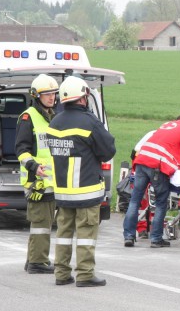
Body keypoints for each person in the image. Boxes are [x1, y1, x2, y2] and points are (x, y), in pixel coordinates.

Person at [47, 76, 116, 287]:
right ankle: (85, 275)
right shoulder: (89, 122)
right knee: (86, 234)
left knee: (63, 234)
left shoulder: (54, 122)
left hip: (62, 192)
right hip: (86, 190)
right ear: (83, 98)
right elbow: (108, 151)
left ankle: (61, 274)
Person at [123, 115, 180, 248]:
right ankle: (156, 239)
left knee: (135, 200)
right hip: (156, 166)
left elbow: (172, 151)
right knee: (161, 202)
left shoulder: (165, 126)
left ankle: (129, 236)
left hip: (141, 161)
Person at [15, 74, 58, 274]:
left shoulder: (52, 116)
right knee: (41, 222)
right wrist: (33, 166)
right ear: (36, 95)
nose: (51, 97)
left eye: (54, 93)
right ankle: (37, 262)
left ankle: (33, 259)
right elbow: (21, 150)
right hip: (36, 180)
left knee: (44, 221)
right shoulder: (28, 117)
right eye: (47, 94)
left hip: (50, 180)